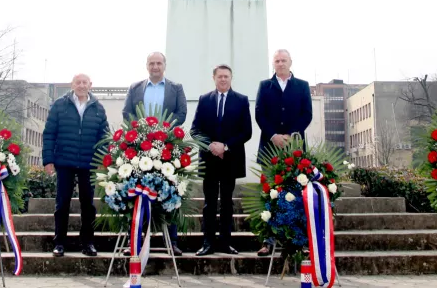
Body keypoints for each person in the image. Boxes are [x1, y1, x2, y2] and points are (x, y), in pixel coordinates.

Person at [121, 52, 188, 256]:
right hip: (140, 146)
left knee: (171, 192)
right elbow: (127, 113)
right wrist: (142, 130)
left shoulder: (176, 88)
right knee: (138, 193)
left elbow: (181, 113)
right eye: (152, 63)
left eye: (159, 63)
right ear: (147, 66)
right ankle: (135, 242)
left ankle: (173, 241)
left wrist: (164, 130)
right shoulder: (135, 88)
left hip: (167, 145)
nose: (155, 66)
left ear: (164, 65)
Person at [253, 49, 313, 256]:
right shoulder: (265, 86)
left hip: (294, 147)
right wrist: (274, 136)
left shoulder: (302, 86)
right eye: (277, 60)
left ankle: (299, 241)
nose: (280, 63)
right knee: (269, 193)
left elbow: (307, 114)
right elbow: (259, 114)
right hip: (270, 147)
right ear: (273, 63)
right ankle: (267, 242)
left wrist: (290, 135)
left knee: (296, 193)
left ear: (290, 62)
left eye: (283, 60)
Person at [43, 73, 109, 258]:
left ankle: (88, 243)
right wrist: (48, 160)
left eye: (84, 82)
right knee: (62, 203)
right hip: (64, 161)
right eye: (78, 82)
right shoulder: (59, 105)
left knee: (88, 205)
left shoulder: (98, 108)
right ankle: (59, 243)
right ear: (72, 85)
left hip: (89, 163)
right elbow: (49, 133)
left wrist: (102, 159)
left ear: (90, 85)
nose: (81, 85)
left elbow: (104, 137)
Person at [191, 65, 253, 256]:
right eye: (220, 76)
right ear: (214, 78)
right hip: (209, 160)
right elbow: (195, 130)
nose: (223, 79)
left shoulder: (241, 101)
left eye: (226, 76)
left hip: (230, 160)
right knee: (209, 202)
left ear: (231, 78)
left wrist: (224, 146)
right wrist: (212, 145)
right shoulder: (204, 100)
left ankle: (226, 243)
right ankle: (207, 243)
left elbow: (246, 131)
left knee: (227, 202)